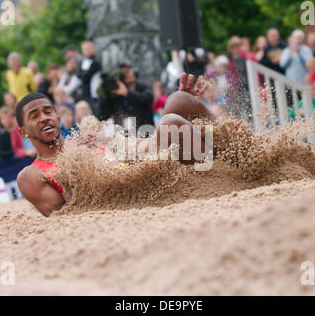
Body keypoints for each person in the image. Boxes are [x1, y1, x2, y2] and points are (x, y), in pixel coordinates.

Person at [16, 73, 214, 216]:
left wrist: (187, 108)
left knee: (178, 100)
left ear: (58, 117)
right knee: (172, 122)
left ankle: (234, 152)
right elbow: (66, 214)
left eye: (48, 112)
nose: (44, 118)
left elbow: (138, 146)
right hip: (134, 193)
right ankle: (218, 177)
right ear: (23, 131)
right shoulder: (32, 175)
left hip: (148, 165)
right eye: (34, 116)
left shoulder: (87, 137)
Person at [99, 64, 154, 129]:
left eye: (128, 71)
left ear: (134, 71)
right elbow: (103, 114)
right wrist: (107, 92)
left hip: (145, 129)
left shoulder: (144, 87)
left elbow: (147, 98)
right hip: (123, 132)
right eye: (123, 74)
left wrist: (127, 93)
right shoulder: (116, 94)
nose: (126, 75)